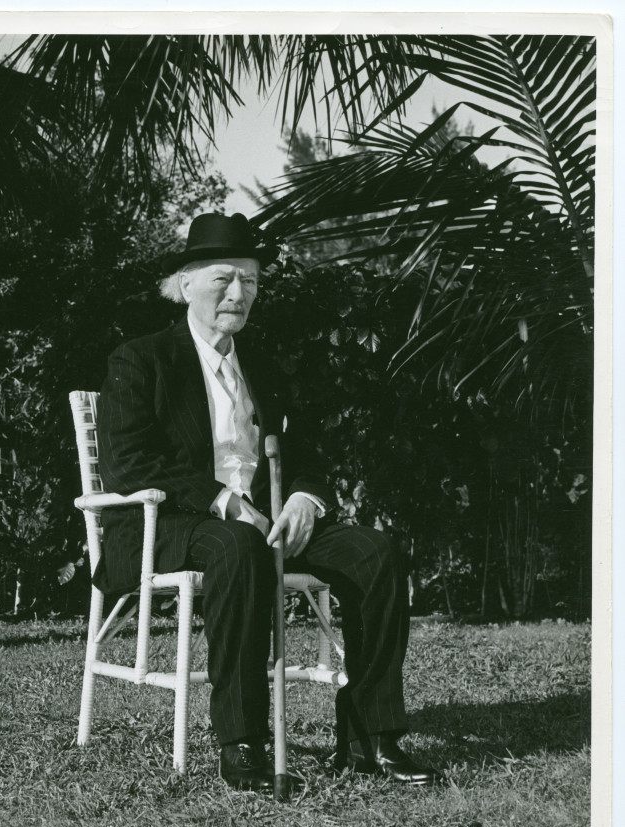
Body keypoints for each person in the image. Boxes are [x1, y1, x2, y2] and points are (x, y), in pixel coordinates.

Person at [94, 212, 442, 791]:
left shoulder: (264, 366)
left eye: (251, 282)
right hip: (167, 526)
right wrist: (226, 503)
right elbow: (133, 463)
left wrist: (304, 497)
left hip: (265, 524)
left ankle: (370, 737)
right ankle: (244, 742)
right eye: (224, 279)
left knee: (375, 552)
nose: (239, 293)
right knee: (237, 545)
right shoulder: (142, 359)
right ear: (184, 284)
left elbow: (304, 452)